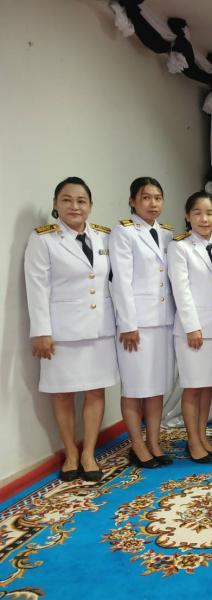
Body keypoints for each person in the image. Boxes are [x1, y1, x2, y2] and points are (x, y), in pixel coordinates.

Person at [24, 177, 118, 482]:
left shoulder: (104, 237)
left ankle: (88, 452)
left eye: (81, 201)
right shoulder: (43, 239)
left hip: (99, 328)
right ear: (55, 204)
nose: (74, 206)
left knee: (95, 390)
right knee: (62, 393)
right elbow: (37, 288)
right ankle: (70, 453)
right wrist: (41, 331)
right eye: (67, 200)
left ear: (90, 205)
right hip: (61, 332)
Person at [109, 177, 176, 469]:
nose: (153, 203)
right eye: (146, 197)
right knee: (135, 386)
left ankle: (154, 441)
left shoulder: (167, 234)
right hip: (137, 323)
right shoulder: (123, 232)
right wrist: (128, 324)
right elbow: (121, 281)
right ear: (132, 200)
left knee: (156, 385)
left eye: (158, 198)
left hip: (163, 320)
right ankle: (137, 445)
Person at [167, 192, 212, 463]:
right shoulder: (180, 247)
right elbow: (181, 290)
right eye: (198, 213)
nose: (204, 219)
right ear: (187, 216)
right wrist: (192, 326)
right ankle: (192, 440)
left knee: (207, 386)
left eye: (210, 213)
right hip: (193, 329)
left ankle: (202, 435)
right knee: (192, 386)